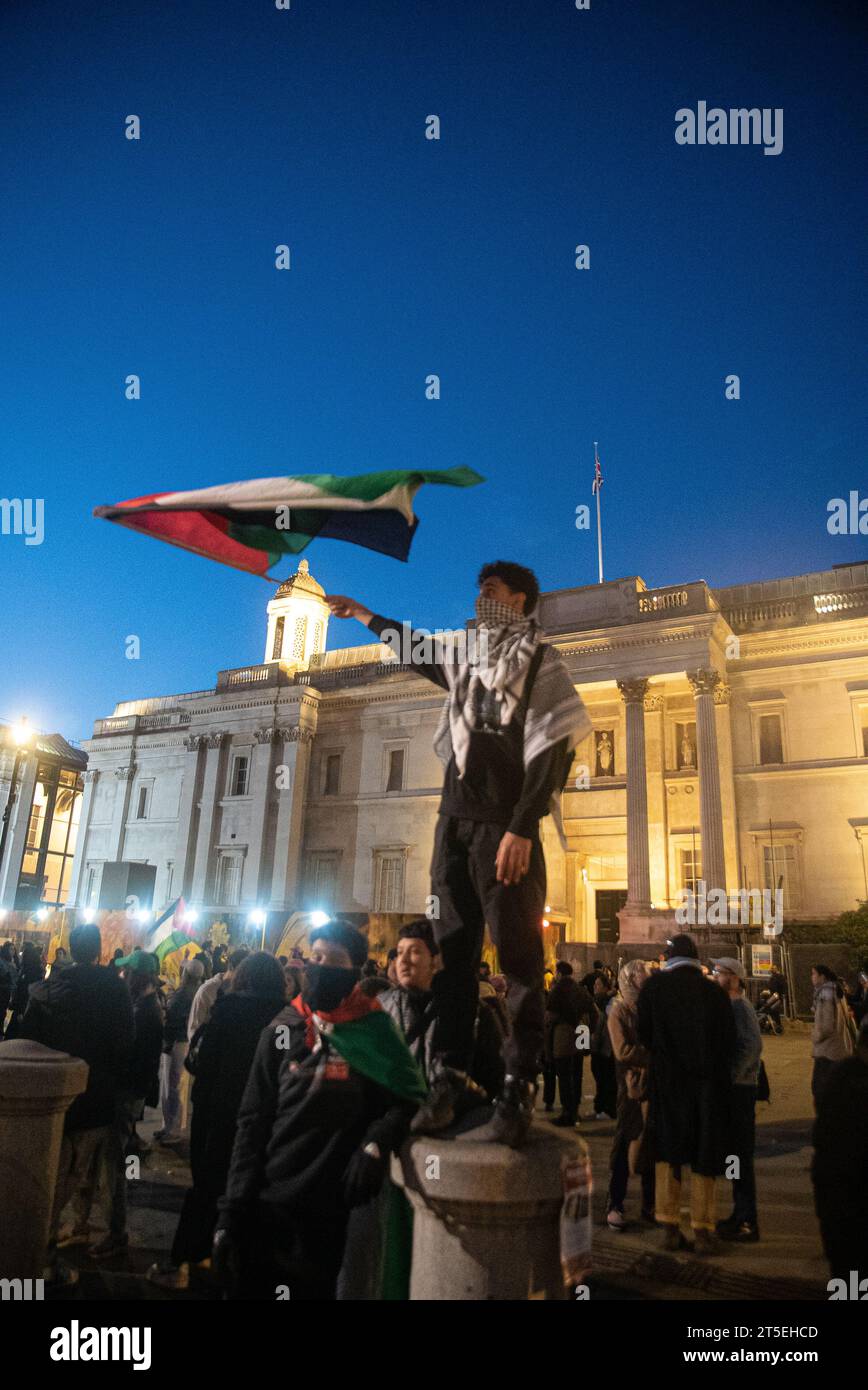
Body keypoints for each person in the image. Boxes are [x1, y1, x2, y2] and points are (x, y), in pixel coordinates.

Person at [326, 561, 590, 1146]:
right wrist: (366, 615)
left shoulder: (543, 664)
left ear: (520, 599)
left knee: (520, 961)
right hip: (454, 827)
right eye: (478, 589)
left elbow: (553, 756)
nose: (480, 598)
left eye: (491, 590)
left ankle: (519, 1082)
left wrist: (523, 827)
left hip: (504, 829)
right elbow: (416, 648)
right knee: (453, 954)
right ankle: (448, 1072)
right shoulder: (466, 657)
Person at [213, 919, 426, 1300]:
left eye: (334, 959)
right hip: (269, 1205)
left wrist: (376, 1142)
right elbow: (253, 1121)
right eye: (315, 956)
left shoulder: (375, 1031)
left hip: (330, 1217)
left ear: (355, 971)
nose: (319, 965)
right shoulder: (284, 1028)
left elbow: (407, 1099)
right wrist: (231, 1212)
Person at [148, 951, 287, 1289]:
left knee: (207, 1186)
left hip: (219, 1115)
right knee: (250, 1190)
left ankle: (185, 1263)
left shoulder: (227, 1011)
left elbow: (200, 1063)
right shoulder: (286, 1018)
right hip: (264, 1121)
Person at [20, 923, 134, 1285]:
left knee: (50, 1177)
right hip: (97, 1096)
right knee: (92, 1173)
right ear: (99, 950)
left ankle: (43, 1252)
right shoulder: (114, 989)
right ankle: (42, 1259)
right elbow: (125, 1041)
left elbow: (25, 1040)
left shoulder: (49, 988)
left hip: (53, 1098)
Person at [637, 934, 736, 1255]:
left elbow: (644, 1034)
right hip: (707, 1086)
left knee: (669, 1153)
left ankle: (668, 1226)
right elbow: (728, 1042)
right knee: (703, 1155)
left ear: (670, 957)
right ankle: (703, 1230)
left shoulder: (653, 988)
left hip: (668, 1083)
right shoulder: (714, 993)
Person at [379, 919, 504, 1101]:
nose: (403, 961)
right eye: (399, 953)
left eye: (414, 952)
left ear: (436, 960)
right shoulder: (380, 1008)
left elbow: (492, 1078)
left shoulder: (473, 1012)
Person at [93, 948, 164, 1260]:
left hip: (125, 1096)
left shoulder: (146, 1013)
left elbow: (134, 1060)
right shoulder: (145, 1006)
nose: (122, 975)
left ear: (138, 976)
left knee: (114, 1164)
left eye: (127, 972)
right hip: (128, 1094)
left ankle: (116, 1231)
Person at [812, 1017, 868, 1281]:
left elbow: (822, 1132)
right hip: (844, 1189)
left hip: (836, 1189)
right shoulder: (845, 1078)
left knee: (845, 1266)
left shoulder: (840, 1075)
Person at [712, 957, 763, 1243]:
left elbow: (753, 1046)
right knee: (735, 1155)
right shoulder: (732, 1006)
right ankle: (739, 1213)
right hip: (737, 1088)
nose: (716, 977)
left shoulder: (740, 1007)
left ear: (733, 978)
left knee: (741, 1155)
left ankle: (747, 1220)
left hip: (740, 1090)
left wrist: (731, 1076)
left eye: (719, 973)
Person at [156, 956, 205, 1143]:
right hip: (181, 1042)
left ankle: (173, 1129)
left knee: (174, 1086)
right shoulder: (193, 992)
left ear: (187, 974)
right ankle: (168, 1126)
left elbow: (173, 1016)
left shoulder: (185, 993)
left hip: (177, 1042)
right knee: (172, 1086)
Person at [544, 961, 595, 1128]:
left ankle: (568, 1113)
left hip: (564, 1035)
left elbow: (550, 1016)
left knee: (564, 1074)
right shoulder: (580, 989)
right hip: (582, 1031)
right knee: (577, 1072)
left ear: (558, 973)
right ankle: (575, 1110)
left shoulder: (557, 990)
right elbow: (593, 1011)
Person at [811, 964, 854, 1110]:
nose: (812, 977)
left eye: (814, 974)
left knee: (820, 1090)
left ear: (822, 977)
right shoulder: (836, 991)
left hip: (826, 1050)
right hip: (838, 1048)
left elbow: (826, 1025)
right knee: (834, 1089)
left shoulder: (825, 995)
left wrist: (815, 1036)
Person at [187, 946, 250, 1039]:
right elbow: (194, 1029)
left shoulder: (244, 992)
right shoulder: (207, 991)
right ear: (231, 967)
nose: (245, 978)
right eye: (243, 973)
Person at [590, 973, 618, 1118]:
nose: (595, 987)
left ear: (606, 987)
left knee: (607, 1079)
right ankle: (600, 1108)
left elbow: (605, 1027)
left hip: (607, 1048)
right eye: (594, 984)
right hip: (600, 1047)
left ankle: (608, 1109)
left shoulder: (609, 1002)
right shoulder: (598, 1001)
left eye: (598, 984)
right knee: (601, 1079)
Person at [5, 939, 44, 1038]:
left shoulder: (31, 974)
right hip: (23, 1009)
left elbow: (27, 993)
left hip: (23, 1010)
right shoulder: (32, 971)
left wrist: (21, 1011)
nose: (21, 956)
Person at [0, 941, 16, 1034]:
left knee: (3, 1012)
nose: (13, 951)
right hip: (2, 990)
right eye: (11, 949)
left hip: (7, 991)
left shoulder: (12, 961)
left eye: (14, 949)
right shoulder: (2, 962)